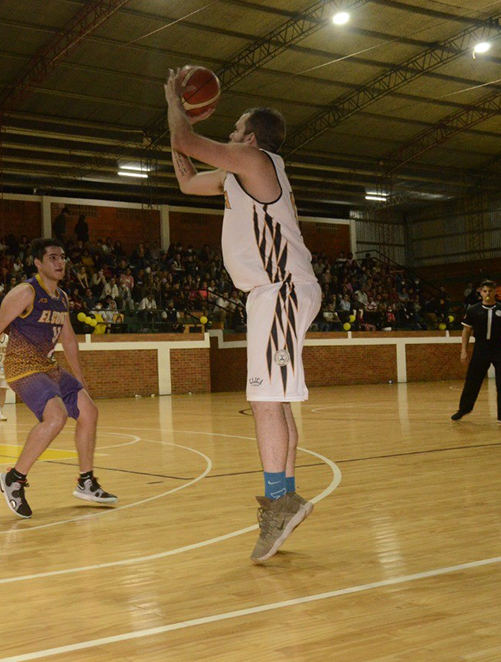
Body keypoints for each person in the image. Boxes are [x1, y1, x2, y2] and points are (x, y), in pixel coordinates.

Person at [165, 67, 319, 562]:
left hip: (281, 289)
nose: (230, 134)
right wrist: (177, 131)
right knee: (275, 399)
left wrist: (176, 106)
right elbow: (188, 181)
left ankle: (278, 503)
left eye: (235, 129)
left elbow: (188, 142)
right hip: (274, 293)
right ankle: (286, 496)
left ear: (251, 139)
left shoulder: (255, 160)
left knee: (264, 400)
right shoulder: (238, 176)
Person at [0, 238, 118, 519]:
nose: (60, 262)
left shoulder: (61, 298)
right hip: (21, 366)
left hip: (47, 366)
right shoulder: (25, 292)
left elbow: (68, 340)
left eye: (62, 257)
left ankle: (86, 481)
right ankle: (14, 478)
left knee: (89, 411)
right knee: (56, 417)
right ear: (38, 263)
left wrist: (80, 379)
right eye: (52, 258)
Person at [451, 280, 501, 425]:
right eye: (485, 291)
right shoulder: (473, 310)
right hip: (481, 348)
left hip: (499, 347)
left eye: (490, 291)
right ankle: (464, 409)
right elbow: (466, 331)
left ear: (495, 292)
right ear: (480, 292)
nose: (488, 293)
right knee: (472, 380)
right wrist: (463, 351)